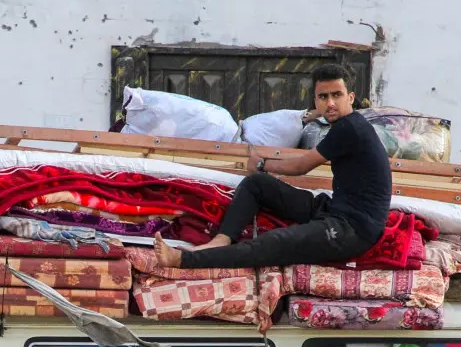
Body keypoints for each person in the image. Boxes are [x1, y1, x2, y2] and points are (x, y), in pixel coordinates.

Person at [152, 65, 392, 271]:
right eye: (323, 97)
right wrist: (261, 171)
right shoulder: (344, 125)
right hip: (333, 209)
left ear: (350, 98)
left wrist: (261, 163)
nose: (330, 103)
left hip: (353, 229)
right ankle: (223, 239)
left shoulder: (350, 128)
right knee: (258, 184)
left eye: (336, 95)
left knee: (273, 242)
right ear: (315, 101)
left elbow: (301, 166)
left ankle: (183, 259)